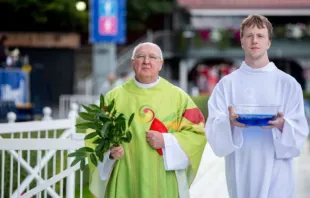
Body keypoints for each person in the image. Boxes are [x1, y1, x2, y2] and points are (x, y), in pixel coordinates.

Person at [205, 15, 309, 198]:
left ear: (269, 42)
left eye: (260, 36)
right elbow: (213, 127)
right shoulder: (226, 84)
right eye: (249, 35)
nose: (254, 40)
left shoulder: (288, 84)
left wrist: (283, 124)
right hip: (241, 167)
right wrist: (228, 122)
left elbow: (300, 129)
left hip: (278, 170)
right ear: (242, 42)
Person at [86, 42, 207, 198]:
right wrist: (109, 153)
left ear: (160, 64)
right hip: (125, 175)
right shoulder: (113, 97)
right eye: (140, 56)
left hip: (164, 177)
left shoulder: (178, 97)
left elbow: (196, 132)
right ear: (132, 63)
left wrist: (167, 141)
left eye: (152, 57)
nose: (146, 61)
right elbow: (96, 135)